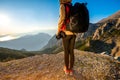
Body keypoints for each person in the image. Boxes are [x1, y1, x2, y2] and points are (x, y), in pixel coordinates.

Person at [56, 0, 76, 75]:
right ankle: (71, 70)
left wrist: (58, 31)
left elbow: (62, 19)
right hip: (74, 32)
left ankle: (67, 69)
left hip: (66, 32)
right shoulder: (72, 6)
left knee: (66, 52)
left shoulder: (63, 6)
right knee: (71, 51)